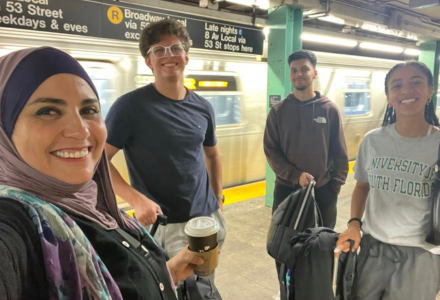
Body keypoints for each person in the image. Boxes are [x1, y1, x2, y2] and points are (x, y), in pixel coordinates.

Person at [0, 46, 205, 299]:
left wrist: (167, 273)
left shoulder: (99, 207)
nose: (81, 131)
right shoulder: (14, 223)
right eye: (47, 111)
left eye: (89, 110)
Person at [104, 19, 226, 264]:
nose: (168, 55)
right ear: (148, 61)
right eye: (158, 50)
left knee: (204, 286)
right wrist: (136, 200)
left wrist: (218, 200)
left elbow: (212, 155)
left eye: (176, 48)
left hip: (208, 219)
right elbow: (98, 160)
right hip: (165, 224)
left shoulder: (203, 106)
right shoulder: (130, 107)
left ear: (186, 56)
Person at [337, 61, 440, 300]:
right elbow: (362, 185)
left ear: (429, 91)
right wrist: (354, 224)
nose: (406, 91)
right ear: (389, 97)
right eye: (397, 85)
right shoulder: (372, 141)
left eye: (416, 82)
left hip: (421, 254)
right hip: (373, 247)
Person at [264, 49, 348, 227]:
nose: (298, 74)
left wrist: (334, 188)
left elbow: (339, 151)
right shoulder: (278, 111)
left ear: (314, 73)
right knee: (284, 247)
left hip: (322, 191)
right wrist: (295, 175)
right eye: (294, 70)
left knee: (319, 247)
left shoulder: (329, 110)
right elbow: (271, 150)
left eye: (304, 69)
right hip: (286, 190)